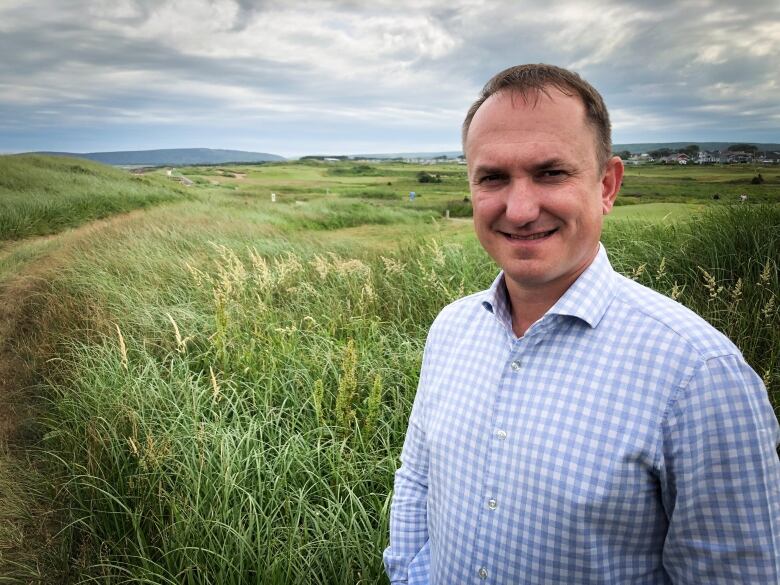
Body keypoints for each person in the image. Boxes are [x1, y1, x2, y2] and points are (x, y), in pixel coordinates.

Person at [383, 64, 780, 584]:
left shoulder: (699, 376)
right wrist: (410, 573)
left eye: (551, 173)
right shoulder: (452, 329)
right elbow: (417, 480)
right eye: (493, 177)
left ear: (607, 185)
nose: (520, 209)